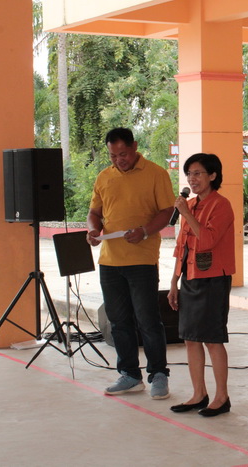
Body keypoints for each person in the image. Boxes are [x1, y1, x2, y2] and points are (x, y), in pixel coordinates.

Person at [87, 127, 175, 399]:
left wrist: (145, 231)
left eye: (123, 154)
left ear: (135, 147)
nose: (119, 160)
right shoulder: (104, 176)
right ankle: (129, 375)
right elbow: (94, 212)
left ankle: (158, 374)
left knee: (148, 320)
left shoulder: (156, 174)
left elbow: (167, 211)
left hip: (142, 261)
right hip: (109, 262)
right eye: (113, 156)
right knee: (118, 321)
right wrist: (93, 230)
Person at [167, 153, 235, 417]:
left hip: (213, 279)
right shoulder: (190, 205)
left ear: (213, 175)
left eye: (197, 173)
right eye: (189, 174)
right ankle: (198, 394)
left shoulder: (221, 205)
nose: (192, 179)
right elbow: (181, 247)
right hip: (190, 278)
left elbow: (206, 241)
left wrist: (186, 213)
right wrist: (174, 281)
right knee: (190, 338)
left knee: (212, 340)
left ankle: (222, 397)